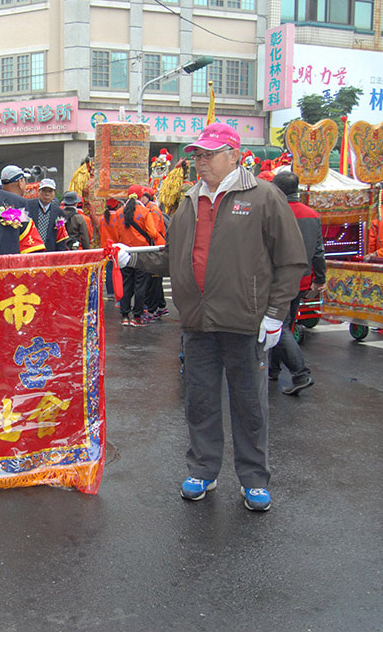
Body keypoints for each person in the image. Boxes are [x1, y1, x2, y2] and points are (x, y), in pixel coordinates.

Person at [118, 123, 307, 512]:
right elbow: (172, 257)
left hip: (245, 322)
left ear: (234, 155)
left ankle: (254, 478)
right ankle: (203, 470)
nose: (200, 162)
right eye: (197, 155)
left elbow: (291, 261)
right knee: (200, 401)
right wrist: (132, 256)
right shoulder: (188, 201)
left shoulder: (264, 197)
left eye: (208, 154)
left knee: (249, 404)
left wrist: (275, 314)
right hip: (197, 323)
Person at [268, 171, 326, 395]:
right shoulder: (312, 214)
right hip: (301, 280)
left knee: (278, 325)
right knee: (286, 322)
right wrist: (319, 279)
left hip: (277, 281)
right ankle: (273, 368)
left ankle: (300, 373)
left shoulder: (275, 212)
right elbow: (319, 252)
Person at [116, 193, 159, 326]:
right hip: (142, 253)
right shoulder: (145, 212)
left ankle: (124, 315)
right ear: (141, 198)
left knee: (126, 284)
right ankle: (137, 317)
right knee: (140, 285)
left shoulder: (118, 212)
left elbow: (116, 234)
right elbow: (152, 233)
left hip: (125, 253)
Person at [140, 187, 169, 320]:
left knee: (154, 280)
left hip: (155, 247)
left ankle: (152, 310)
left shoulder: (152, 210)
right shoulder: (148, 209)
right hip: (153, 247)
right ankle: (161, 306)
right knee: (155, 280)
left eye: (142, 197)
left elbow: (154, 232)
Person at [25, 178, 63, 253]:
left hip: (50, 252)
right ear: (39, 192)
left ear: (54, 193)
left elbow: (60, 235)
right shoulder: (28, 206)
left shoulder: (58, 211)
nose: (47, 194)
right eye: (44, 190)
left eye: (50, 191)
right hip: (31, 250)